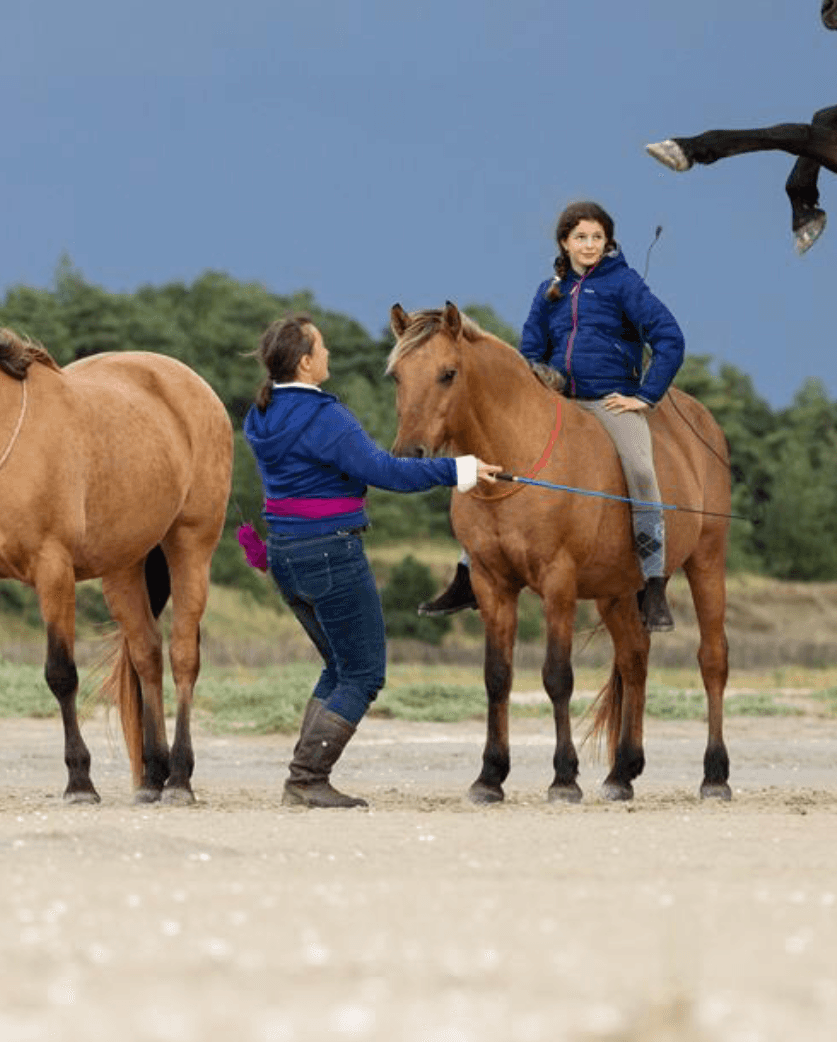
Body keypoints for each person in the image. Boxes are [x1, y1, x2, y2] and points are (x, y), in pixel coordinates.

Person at [241, 314, 500, 808]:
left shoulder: (262, 413)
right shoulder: (326, 418)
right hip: (329, 551)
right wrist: (459, 468)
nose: (329, 354)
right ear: (305, 361)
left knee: (339, 667)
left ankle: (303, 777)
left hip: (285, 553)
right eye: (323, 348)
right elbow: (384, 471)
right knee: (363, 673)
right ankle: (306, 779)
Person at [419, 199, 685, 632]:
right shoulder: (550, 290)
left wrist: (646, 395)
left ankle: (653, 583)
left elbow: (670, 338)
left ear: (608, 241)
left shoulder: (625, 285)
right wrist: (539, 378)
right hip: (556, 402)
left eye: (598, 237)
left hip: (608, 403)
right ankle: (468, 573)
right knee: (493, 463)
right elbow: (529, 348)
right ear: (565, 241)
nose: (590, 245)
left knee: (641, 470)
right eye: (581, 237)